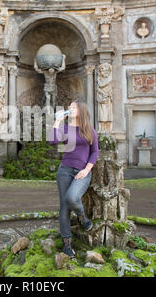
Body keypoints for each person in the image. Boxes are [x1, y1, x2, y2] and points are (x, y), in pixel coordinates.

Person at [47, 99, 99, 257]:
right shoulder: (64, 128)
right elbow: (52, 141)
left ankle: (82, 217)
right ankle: (67, 244)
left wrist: (87, 169)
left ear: (81, 110)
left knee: (71, 198)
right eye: (69, 107)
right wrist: (56, 121)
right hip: (64, 171)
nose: (70, 109)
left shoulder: (89, 130)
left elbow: (95, 152)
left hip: (82, 172)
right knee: (64, 207)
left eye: (73, 107)